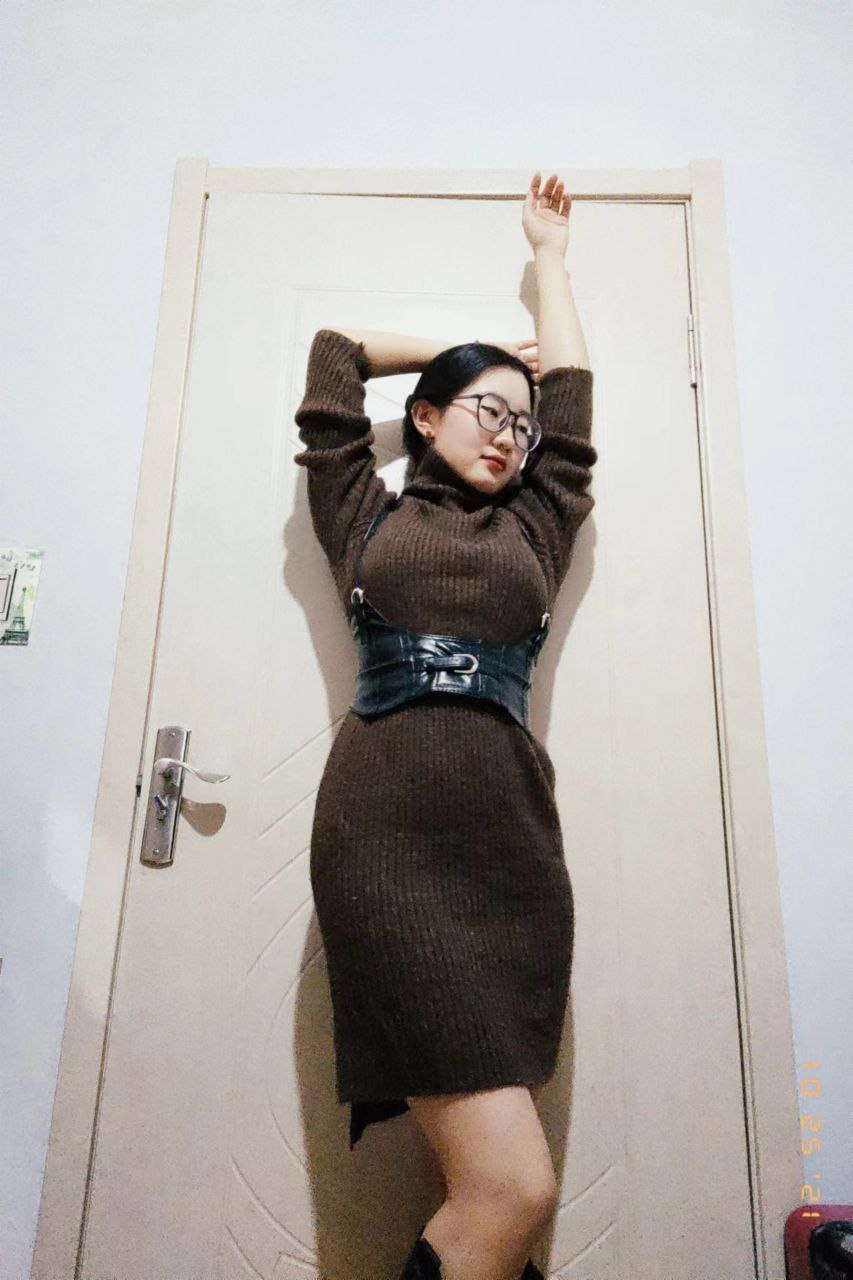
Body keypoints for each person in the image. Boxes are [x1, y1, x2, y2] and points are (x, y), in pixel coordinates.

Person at [293, 171, 598, 1280]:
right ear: (425, 415)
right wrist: (470, 354)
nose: (512, 435)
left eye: (522, 422)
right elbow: (333, 356)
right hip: (383, 845)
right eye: (485, 411)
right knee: (512, 1187)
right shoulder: (363, 515)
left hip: (509, 847)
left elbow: (573, 406)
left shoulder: (538, 527)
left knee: (495, 1185)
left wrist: (549, 259)